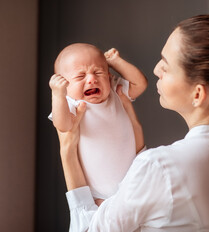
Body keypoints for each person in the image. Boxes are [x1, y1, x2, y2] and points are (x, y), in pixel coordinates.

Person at [56, 15, 209, 231]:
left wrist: (67, 152)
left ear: (198, 94)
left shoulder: (159, 168)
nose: (156, 70)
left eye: (165, 65)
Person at [49, 43, 147, 200]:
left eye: (98, 72)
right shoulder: (71, 103)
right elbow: (63, 125)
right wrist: (58, 96)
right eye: (80, 76)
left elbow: (140, 84)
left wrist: (116, 62)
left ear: (109, 75)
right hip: (96, 194)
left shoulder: (115, 91)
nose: (92, 79)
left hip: (133, 183)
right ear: (65, 86)